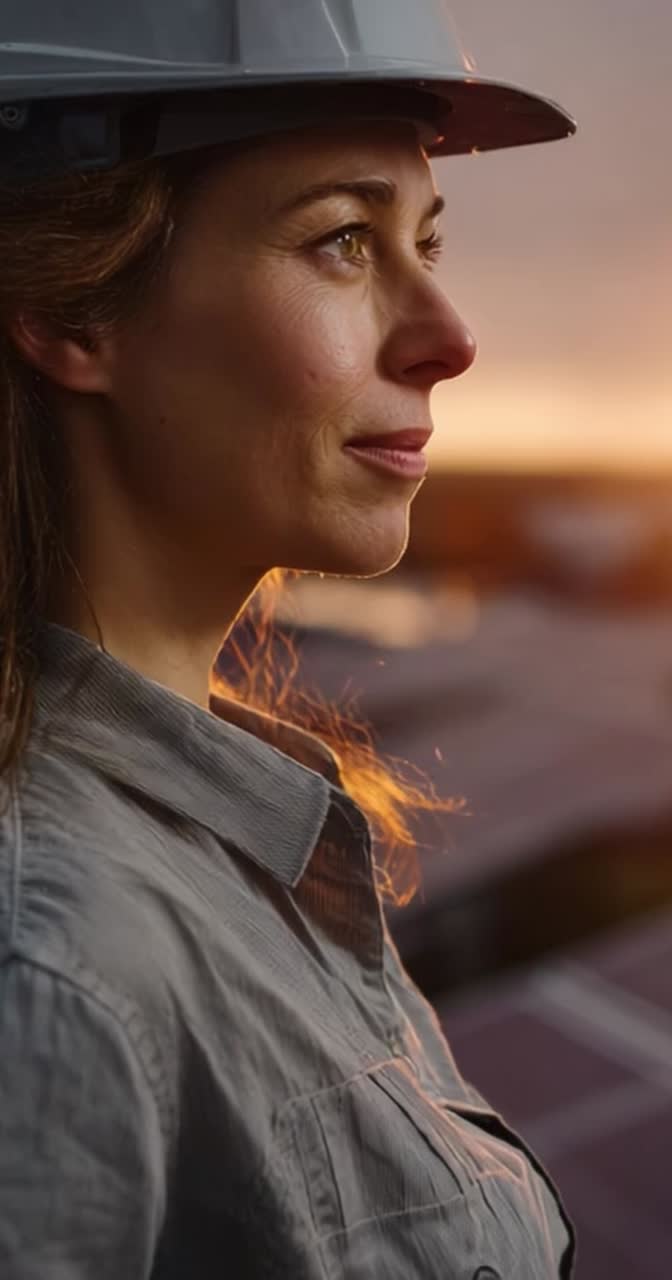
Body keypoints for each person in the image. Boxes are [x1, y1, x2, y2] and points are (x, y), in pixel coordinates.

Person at [0, 2, 577, 1276]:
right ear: (71, 311)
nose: (451, 335)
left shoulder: (229, 845)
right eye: (341, 242)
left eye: (425, 241)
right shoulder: (55, 965)